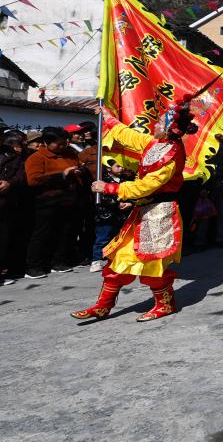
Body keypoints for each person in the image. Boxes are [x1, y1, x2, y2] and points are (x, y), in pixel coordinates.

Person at [71, 101, 200, 321]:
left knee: (153, 263)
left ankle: (165, 304)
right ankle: (103, 305)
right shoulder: (154, 143)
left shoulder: (171, 153)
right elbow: (128, 135)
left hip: (160, 213)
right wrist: (107, 116)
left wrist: (110, 188)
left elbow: (148, 185)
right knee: (120, 259)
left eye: (159, 123)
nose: (155, 125)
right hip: (142, 211)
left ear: (169, 129)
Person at [24, 128, 87, 278]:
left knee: (65, 232)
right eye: (58, 144)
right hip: (48, 202)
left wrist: (79, 172)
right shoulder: (37, 158)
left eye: (65, 143)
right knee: (42, 234)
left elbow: (79, 165)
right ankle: (34, 266)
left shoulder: (70, 153)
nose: (62, 146)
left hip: (69, 200)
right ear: (46, 143)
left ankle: (59, 262)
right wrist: (62, 175)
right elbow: (33, 180)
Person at [90, 157, 131, 272]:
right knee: (103, 238)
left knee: (119, 237)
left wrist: (130, 203)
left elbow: (131, 193)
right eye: (118, 166)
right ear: (108, 168)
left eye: (122, 166)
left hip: (121, 215)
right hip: (105, 215)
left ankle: (117, 258)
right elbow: (102, 198)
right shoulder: (102, 181)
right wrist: (117, 204)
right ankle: (96, 260)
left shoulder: (125, 179)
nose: (121, 168)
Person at [0, 132, 28, 286]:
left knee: (4, 239)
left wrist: (9, 183)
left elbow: (21, 175)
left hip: (7, 203)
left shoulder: (13, 157)